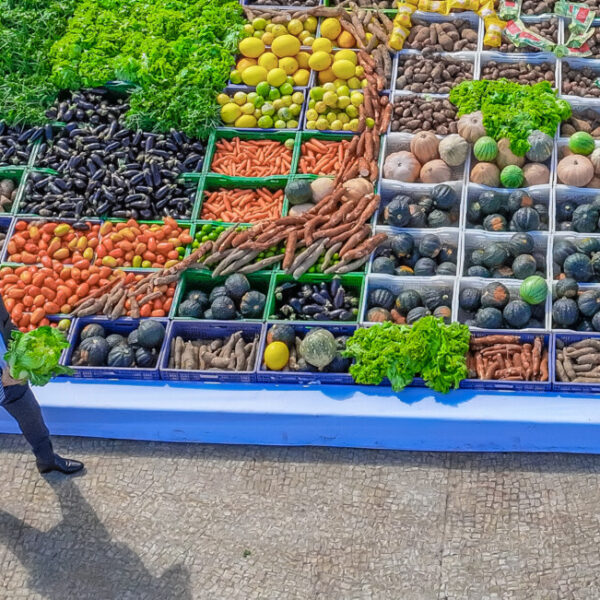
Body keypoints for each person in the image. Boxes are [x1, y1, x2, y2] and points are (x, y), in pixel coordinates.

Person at [0, 297, 83, 475]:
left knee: (31, 416)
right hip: (5, 379)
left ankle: (47, 460)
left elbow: (6, 325)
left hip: (10, 372)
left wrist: (25, 347)